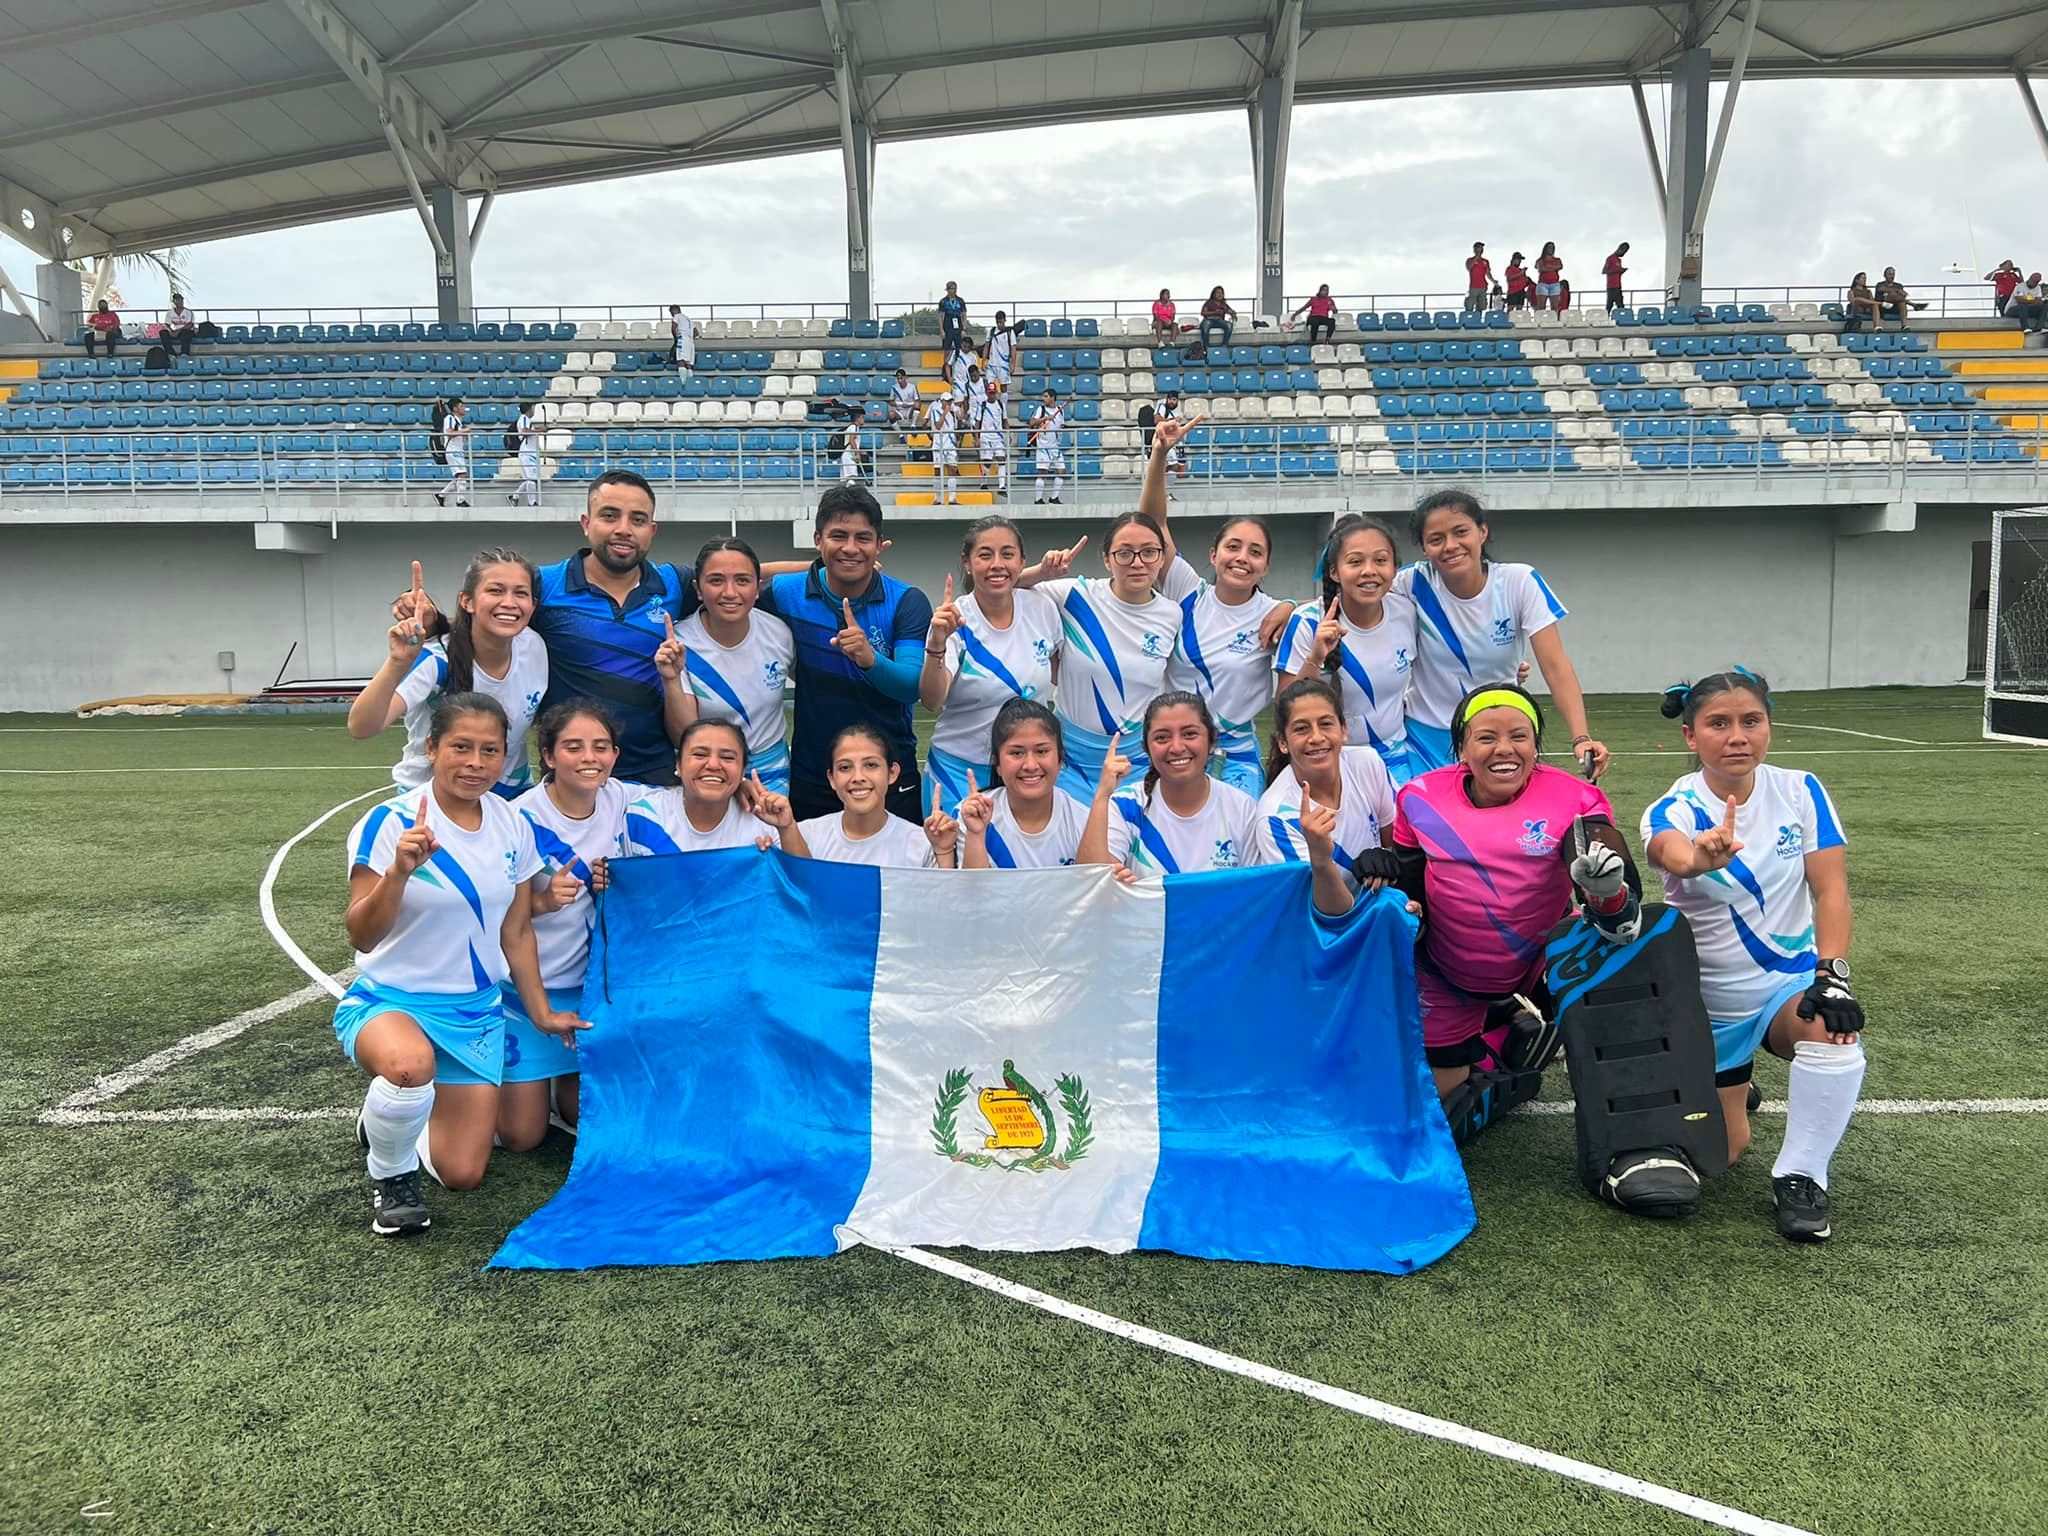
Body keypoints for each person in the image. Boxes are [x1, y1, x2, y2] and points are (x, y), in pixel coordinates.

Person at [336, 693, 580, 1235]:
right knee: (407, 1067)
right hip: (391, 1000)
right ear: (432, 748)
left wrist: (540, 1013)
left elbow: (516, 930)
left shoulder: (511, 824)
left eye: (489, 751)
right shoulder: (390, 823)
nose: (475, 763)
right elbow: (362, 933)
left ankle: (392, 1122)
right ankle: (391, 1174)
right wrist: (399, 872)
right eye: (461, 748)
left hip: (473, 1012)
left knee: (464, 1174)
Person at [1641, 669, 1866, 1243]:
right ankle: (1728, 1085)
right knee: (1721, 1153)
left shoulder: (1800, 789)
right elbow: (1669, 854)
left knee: (1834, 1033)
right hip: (1708, 1005)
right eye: (1719, 724)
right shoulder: (1673, 807)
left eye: (1751, 721)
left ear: (1768, 726)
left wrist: (1831, 976)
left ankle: (1801, 1176)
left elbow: (1830, 888)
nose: (1737, 736)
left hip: (1782, 988)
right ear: (1691, 737)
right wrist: (1699, 857)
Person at [1387, 684, 1639, 1148]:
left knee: (1621, 1007)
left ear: (1537, 746)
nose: (1504, 749)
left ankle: (1538, 1018)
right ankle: (1513, 1049)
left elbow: (1624, 911)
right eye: (1486, 737)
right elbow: (1408, 881)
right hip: (1447, 974)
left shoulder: (1576, 799)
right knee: (1430, 1116)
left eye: (1519, 736)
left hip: (1536, 969)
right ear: (1461, 746)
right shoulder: (1419, 797)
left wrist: (1609, 893)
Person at [393, 471, 712, 786]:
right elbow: (485, 626)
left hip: (654, 775)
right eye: (610, 516)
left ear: (652, 530)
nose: (624, 529)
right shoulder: (543, 585)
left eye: (638, 520)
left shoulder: (673, 583)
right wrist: (436, 621)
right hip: (568, 779)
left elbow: (734, 576)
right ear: (586, 523)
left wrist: (754, 571)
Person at [1395, 489, 1608, 778]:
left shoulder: (1519, 581)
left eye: (1461, 532)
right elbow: (1352, 598)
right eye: (1436, 539)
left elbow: (1555, 666)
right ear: (1423, 548)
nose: (1450, 545)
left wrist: (1581, 738)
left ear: (1482, 532)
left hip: (1499, 736)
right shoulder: (1410, 582)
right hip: (1425, 739)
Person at [756, 484, 934, 824]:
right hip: (816, 776)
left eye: (863, 539)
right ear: (818, 540)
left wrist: (870, 659)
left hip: (890, 775)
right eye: (838, 537)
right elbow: (736, 577)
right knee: (816, 874)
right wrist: (815, 564)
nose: (851, 548)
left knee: (896, 876)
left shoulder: (906, 601)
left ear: (880, 545)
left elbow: (912, 685)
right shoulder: (783, 593)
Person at [505, 700, 636, 1145]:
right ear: (548, 755)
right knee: (522, 1137)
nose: (589, 758)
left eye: (601, 747)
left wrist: (744, 800)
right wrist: (541, 903)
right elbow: (490, 915)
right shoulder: (520, 817)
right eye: (573, 747)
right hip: (525, 990)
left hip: (588, 991)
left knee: (591, 1117)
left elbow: (688, 801)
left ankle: (557, 1094)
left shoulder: (621, 798)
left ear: (615, 755)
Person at [1139, 422, 1292, 793]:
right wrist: (1160, 454)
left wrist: (1291, 606)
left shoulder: (1275, 614)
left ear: (1267, 566)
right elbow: (1153, 523)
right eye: (1233, 547)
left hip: (1236, 758)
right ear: (1214, 555)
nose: (1242, 558)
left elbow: (1326, 610)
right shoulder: (1187, 590)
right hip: (1176, 750)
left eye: (1255, 552)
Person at [349, 551, 548, 797]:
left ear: (533, 605)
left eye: (520, 593)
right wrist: (397, 662)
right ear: (467, 601)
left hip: (507, 797)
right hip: (433, 800)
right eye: (495, 591)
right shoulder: (437, 660)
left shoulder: (535, 646)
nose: (509, 602)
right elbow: (362, 726)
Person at [1022, 510, 1182, 800]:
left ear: (1161, 557)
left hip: (1134, 762)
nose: (1137, 562)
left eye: (1149, 552)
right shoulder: (1075, 595)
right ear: (1107, 559)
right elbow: (997, 589)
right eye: (1124, 553)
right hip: (1070, 761)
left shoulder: (1172, 615)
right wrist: (1039, 573)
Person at [920, 516, 1064, 816]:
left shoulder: (1042, 608)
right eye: (985, 555)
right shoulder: (954, 619)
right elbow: (932, 700)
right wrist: (936, 643)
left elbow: (1057, 672)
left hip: (1023, 772)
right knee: (957, 858)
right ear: (968, 563)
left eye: (1008, 554)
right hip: (959, 770)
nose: (997, 564)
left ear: (1022, 561)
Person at [1276, 514, 1419, 782]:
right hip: (1331, 763)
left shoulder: (1406, 611)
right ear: (1334, 571)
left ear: (1394, 568)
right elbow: (1284, 707)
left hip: (1395, 759)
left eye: (1380, 560)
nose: (1369, 571)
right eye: (1355, 562)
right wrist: (1316, 656)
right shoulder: (1307, 622)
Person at [1079, 691, 1266, 876]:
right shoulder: (1126, 805)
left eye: (1189, 734)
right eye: (1162, 738)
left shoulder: (1241, 808)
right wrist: (1102, 794)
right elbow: (1091, 880)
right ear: (1146, 748)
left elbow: (1256, 890)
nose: (1176, 747)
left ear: (1211, 741)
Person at [668, 536, 796, 793]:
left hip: (772, 775)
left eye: (742, 580)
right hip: (709, 772)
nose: (730, 592)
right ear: (698, 589)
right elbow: (683, 733)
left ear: (757, 588)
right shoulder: (679, 642)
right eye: (716, 580)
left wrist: (831, 565)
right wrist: (670, 679)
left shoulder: (778, 632)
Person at [1253, 678, 1396, 875]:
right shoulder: (1276, 818)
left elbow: (1395, 843)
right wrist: (1321, 859)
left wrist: (1386, 863)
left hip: (1380, 900)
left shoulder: (1368, 763)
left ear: (1344, 729)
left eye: (1326, 724)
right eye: (1301, 729)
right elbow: (1314, 901)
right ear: (1283, 742)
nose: (1317, 738)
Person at [622, 718, 802, 855]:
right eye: (700, 754)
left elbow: (806, 888)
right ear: (678, 765)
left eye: (728, 757)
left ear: (742, 771)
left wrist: (787, 828)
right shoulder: (644, 816)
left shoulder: (763, 821)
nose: (714, 765)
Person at [792, 722, 955, 868]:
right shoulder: (804, 835)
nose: (858, 777)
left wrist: (944, 851)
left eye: (871, 765)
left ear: (892, 773)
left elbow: (943, 899)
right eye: (845, 767)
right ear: (832, 778)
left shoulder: (919, 844)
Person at [956, 700, 1093, 869]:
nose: (1030, 765)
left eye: (1042, 751)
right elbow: (973, 892)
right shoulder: (971, 814)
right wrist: (976, 835)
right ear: (997, 763)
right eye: (1016, 753)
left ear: (1060, 759)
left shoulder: (1083, 820)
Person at [1027, 388, 1066, 503]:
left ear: (1052, 397)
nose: (1043, 399)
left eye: (1046, 396)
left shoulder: (1060, 410)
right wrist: (1045, 418)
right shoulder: (1041, 409)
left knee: (1061, 471)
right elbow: (1032, 423)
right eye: (1043, 396)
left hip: (1055, 446)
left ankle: (1054, 497)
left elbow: (1061, 425)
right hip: (1043, 446)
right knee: (1042, 472)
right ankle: (1038, 499)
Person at [972, 379, 1009, 497]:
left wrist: (1008, 433)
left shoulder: (1001, 405)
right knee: (987, 462)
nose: (992, 394)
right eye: (990, 392)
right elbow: (977, 423)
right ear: (987, 393)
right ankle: (984, 483)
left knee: (1001, 460)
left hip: (998, 437)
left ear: (996, 392)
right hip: (985, 437)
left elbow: (1005, 420)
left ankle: (1002, 486)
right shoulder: (982, 405)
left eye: (993, 392)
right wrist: (976, 438)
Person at [926, 392, 961, 506]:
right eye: (947, 401)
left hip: (950, 443)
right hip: (938, 444)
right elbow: (938, 425)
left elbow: (958, 423)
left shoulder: (954, 411)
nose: (949, 403)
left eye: (950, 401)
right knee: (937, 471)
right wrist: (945, 412)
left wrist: (958, 414)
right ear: (942, 401)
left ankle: (952, 498)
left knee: (952, 470)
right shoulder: (935, 410)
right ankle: (938, 498)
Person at [435, 396, 470, 508]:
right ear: (455, 408)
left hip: (458, 450)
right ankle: (460, 500)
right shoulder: (450, 418)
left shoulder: (458, 421)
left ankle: (441, 495)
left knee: (459, 476)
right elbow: (449, 433)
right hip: (452, 450)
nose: (464, 408)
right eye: (461, 406)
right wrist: (465, 430)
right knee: (462, 474)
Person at [509, 399, 542, 507]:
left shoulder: (527, 420)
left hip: (531, 453)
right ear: (529, 409)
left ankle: (515, 496)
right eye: (532, 408)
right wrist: (539, 431)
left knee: (531, 478)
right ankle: (532, 502)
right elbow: (524, 431)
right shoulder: (524, 418)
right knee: (531, 479)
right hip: (527, 453)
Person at [982, 309, 1018, 390]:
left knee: (1003, 387)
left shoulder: (1010, 332)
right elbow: (986, 347)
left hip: (1004, 364)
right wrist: (983, 361)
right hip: (991, 364)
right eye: (998, 322)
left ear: (1005, 320)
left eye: (1001, 322)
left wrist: (1013, 365)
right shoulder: (991, 331)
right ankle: (991, 402)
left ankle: (1003, 403)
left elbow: (1013, 349)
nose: (999, 324)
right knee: (990, 386)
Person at [937, 280, 967, 364]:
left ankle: (959, 366)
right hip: (948, 326)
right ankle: (945, 367)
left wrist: (964, 329)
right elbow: (940, 316)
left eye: (954, 288)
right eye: (950, 289)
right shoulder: (943, 301)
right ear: (947, 290)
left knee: (959, 348)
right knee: (947, 349)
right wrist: (941, 330)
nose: (952, 290)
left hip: (958, 325)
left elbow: (964, 315)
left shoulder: (960, 301)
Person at [1198, 287, 1236, 351]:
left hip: (1220, 321)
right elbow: (1203, 313)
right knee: (1205, 325)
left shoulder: (1223, 304)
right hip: (1209, 320)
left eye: (1221, 293)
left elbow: (1230, 311)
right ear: (1213, 294)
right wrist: (1214, 312)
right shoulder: (1209, 302)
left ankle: (1224, 346)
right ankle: (1206, 347)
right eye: (1218, 293)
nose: (1220, 294)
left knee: (1229, 325)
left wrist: (1233, 314)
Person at [162, 292, 197, 357]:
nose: (179, 302)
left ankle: (184, 353)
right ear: (174, 302)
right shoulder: (170, 313)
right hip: (174, 331)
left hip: (185, 331)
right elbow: (167, 324)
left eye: (180, 300)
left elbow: (189, 325)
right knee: (163, 333)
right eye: (177, 300)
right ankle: (171, 353)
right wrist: (171, 331)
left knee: (186, 333)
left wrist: (178, 331)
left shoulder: (188, 312)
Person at [888, 368, 920, 436]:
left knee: (918, 404)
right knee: (891, 414)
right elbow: (891, 402)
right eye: (898, 378)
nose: (899, 380)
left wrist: (908, 404)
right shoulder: (894, 387)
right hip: (899, 411)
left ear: (905, 377)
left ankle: (913, 425)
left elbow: (917, 400)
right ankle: (901, 435)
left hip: (909, 410)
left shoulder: (912, 386)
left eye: (901, 378)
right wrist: (901, 404)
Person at [1533, 242, 1564, 312]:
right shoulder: (1540, 260)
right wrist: (1553, 268)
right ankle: (1540, 321)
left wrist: (1547, 267)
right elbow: (1541, 268)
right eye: (1549, 247)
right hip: (1543, 284)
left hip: (1554, 284)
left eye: (1552, 247)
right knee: (1541, 307)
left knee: (1555, 307)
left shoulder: (1557, 259)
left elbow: (1560, 266)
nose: (1551, 249)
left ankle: (1554, 321)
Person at [668, 305, 696, 379]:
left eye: (671, 312)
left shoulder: (677, 316)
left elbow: (673, 328)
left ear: (674, 310)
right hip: (690, 342)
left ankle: (683, 382)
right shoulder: (688, 319)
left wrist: (676, 339)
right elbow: (696, 333)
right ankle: (690, 381)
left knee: (681, 360)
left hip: (682, 339)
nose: (671, 314)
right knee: (688, 363)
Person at [1464, 243, 1491, 313]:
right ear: (1475, 249)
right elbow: (1469, 267)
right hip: (1474, 287)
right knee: (1470, 306)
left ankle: (1478, 319)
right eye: (1479, 247)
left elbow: (1488, 273)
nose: (1481, 249)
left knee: (1482, 306)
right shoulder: (1470, 260)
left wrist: (1494, 281)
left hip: (1483, 286)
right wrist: (1476, 257)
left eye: (1482, 248)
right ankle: (1468, 320)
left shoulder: (1485, 261)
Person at [1602, 243, 1629, 313]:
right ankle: (1605, 320)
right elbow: (1604, 271)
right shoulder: (1610, 258)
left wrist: (1621, 271)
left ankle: (1622, 321)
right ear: (1620, 249)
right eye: (1624, 251)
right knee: (1609, 306)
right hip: (1611, 287)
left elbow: (1617, 273)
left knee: (1620, 306)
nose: (1624, 254)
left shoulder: (1619, 260)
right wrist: (1617, 270)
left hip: (1618, 286)